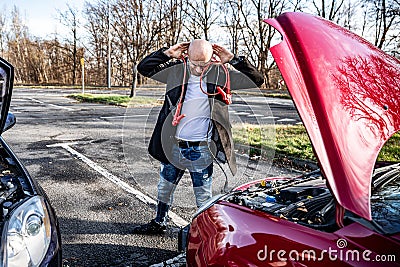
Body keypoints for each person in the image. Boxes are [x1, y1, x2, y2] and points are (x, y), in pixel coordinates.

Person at [133, 39, 264, 234]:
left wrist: (234, 60)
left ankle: (203, 233)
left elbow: (257, 80)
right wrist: (167, 54)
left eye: (202, 64)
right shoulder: (176, 71)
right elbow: (144, 68)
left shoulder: (221, 74)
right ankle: (159, 222)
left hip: (202, 148)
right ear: (186, 57)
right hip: (173, 146)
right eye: (193, 62)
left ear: (211, 59)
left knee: (203, 196)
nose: (197, 68)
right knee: (164, 189)